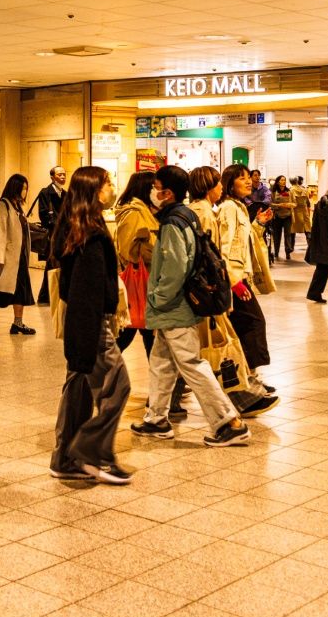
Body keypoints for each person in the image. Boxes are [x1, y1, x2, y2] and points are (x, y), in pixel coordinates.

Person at [130, 165, 250, 448]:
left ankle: (228, 423)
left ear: (167, 193)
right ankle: (156, 419)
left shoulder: (173, 222)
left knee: (191, 363)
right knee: (162, 362)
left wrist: (158, 298)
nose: (152, 192)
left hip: (174, 306)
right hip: (177, 304)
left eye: (156, 187)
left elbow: (175, 267)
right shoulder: (186, 215)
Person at [48, 166, 132, 485]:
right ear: (94, 190)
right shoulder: (90, 236)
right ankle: (93, 452)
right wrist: (89, 338)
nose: (113, 187)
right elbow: (86, 293)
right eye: (108, 183)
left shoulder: (76, 226)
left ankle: (65, 458)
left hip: (82, 324)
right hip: (91, 326)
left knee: (78, 390)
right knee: (118, 386)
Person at [216, 164, 279, 414]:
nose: (248, 182)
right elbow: (224, 246)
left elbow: (244, 240)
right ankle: (248, 381)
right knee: (253, 324)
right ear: (229, 183)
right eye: (242, 178)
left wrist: (259, 224)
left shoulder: (239, 206)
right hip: (235, 279)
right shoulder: (229, 208)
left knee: (245, 328)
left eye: (248, 178)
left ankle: (249, 379)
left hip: (241, 277)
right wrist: (233, 280)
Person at [0, 174, 36, 334]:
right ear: (15, 188)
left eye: (26, 188)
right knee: (6, 291)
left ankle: (18, 323)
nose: (25, 191)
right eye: (23, 188)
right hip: (9, 257)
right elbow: (0, 233)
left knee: (20, 291)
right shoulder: (3, 205)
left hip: (20, 256)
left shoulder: (17, 206)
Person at [112, 171, 158, 355]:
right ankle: (99, 368)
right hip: (138, 281)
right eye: (155, 187)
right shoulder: (133, 214)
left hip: (147, 282)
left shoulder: (145, 212)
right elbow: (128, 250)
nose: (158, 192)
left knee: (147, 336)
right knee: (128, 332)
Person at [34, 166, 66, 306]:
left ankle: (47, 296)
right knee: (52, 263)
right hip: (52, 235)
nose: (63, 177)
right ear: (52, 177)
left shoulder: (65, 194)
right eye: (59, 174)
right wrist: (58, 223)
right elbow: (43, 214)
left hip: (63, 235)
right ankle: (46, 296)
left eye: (64, 174)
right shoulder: (45, 193)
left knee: (54, 264)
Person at [269, 175, 294, 261]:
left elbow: (294, 203)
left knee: (288, 235)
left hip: (288, 216)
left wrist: (290, 205)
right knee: (276, 235)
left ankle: (288, 252)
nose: (283, 182)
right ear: (278, 181)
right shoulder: (273, 192)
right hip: (277, 216)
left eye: (284, 180)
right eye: (282, 180)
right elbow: (270, 204)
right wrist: (279, 205)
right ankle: (276, 252)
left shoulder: (289, 191)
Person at [290, 176, 313, 254]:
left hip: (295, 212)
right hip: (304, 211)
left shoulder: (291, 190)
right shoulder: (305, 190)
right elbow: (308, 203)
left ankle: (291, 247)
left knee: (292, 231)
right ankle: (310, 246)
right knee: (307, 229)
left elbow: (291, 202)